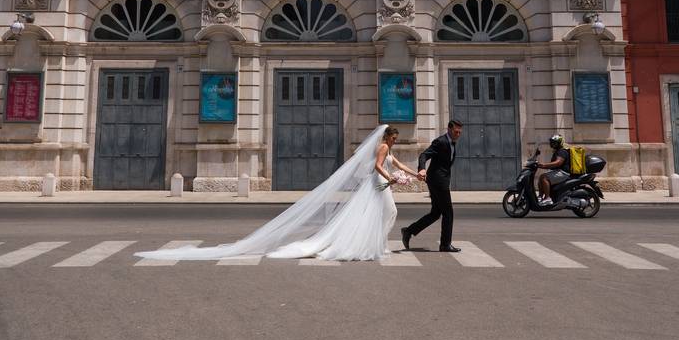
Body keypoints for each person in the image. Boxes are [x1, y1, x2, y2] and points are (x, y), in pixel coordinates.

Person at [133, 125, 423, 262]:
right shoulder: (381, 147)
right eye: (395, 137)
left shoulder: (390, 149)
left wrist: (414, 175)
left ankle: (375, 244)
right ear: (388, 136)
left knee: (384, 213)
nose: (396, 141)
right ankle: (374, 245)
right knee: (390, 212)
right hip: (378, 185)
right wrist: (391, 180)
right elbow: (378, 166)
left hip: (381, 186)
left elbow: (397, 164)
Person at [401, 119, 463, 253]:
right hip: (438, 181)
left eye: (460, 132)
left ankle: (408, 231)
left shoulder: (451, 142)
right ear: (449, 129)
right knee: (448, 213)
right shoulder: (440, 141)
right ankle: (445, 245)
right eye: (456, 131)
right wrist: (421, 169)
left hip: (439, 180)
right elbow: (424, 155)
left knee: (436, 213)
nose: (458, 134)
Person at [537, 134, 571, 207]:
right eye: (552, 142)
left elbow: (558, 163)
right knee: (541, 177)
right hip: (559, 171)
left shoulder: (562, 151)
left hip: (564, 173)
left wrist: (544, 165)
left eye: (554, 142)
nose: (552, 144)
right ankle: (540, 197)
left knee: (544, 177)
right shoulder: (557, 151)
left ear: (559, 143)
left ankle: (547, 198)